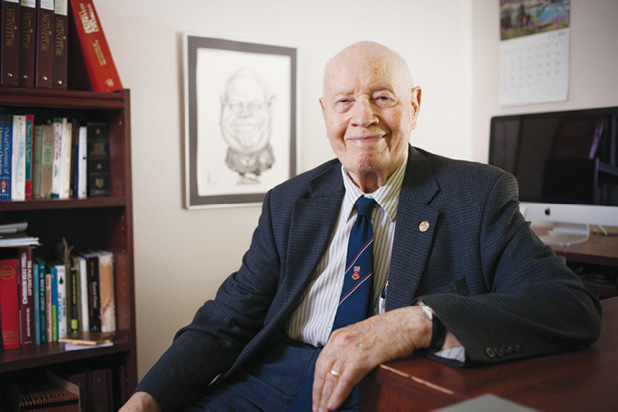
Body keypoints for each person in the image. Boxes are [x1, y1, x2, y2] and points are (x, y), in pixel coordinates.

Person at [121, 41, 601, 412]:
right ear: (325, 114)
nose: (363, 117)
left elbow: (570, 306)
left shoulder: (477, 194)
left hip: (385, 383)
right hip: (274, 377)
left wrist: (419, 322)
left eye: (381, 97)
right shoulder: (288, 203)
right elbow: (226, 319)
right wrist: (149, 395)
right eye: (345, 101)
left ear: (413, 105)